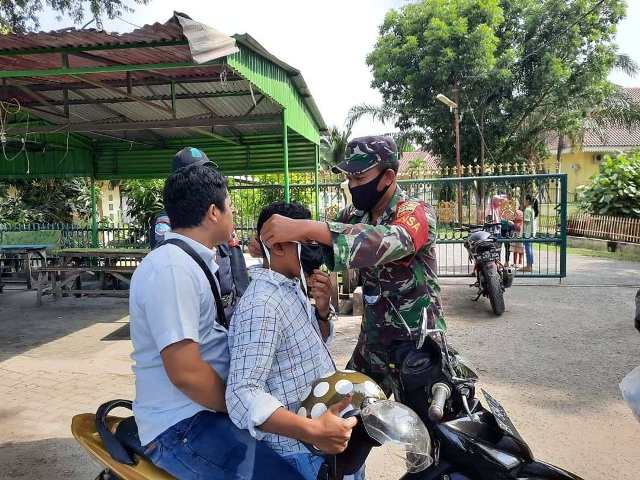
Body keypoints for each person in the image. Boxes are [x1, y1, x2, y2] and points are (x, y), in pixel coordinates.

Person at [129, 165, 304, 480]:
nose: (233, 213)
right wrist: (240, 405)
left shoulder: (191, 261)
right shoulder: (173, 269)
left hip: (200, 413)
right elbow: (187, 374)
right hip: (183, 424)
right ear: (213, 212)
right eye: (230, 207)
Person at [257, 135, 445, 394]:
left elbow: (389, 241)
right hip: (372, 343)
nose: (352, 185)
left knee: (425, 422)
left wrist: (308, 227)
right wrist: (270, 241)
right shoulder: (354, 215)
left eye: (359, 179)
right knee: (346, 412)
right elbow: (322, 246)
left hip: (417, 345)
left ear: (388, 177)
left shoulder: (415, 212)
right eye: (349, 179)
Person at [227, 201, 356, 480]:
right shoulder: (262, 305)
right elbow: (241, 394)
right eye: (307, 241)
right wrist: (311, 430)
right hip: (300, 455)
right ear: (277, 246)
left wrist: (322, 312)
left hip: (324, 445)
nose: (316, 248)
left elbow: (304, 349)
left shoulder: (290, 286)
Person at [150, 147, 249, 318]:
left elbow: (234, 255)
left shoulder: (219, 214)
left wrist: (243, 295)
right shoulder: (172, 220)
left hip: (229, 307)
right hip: (202, 309)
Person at [522, 195, 536, 273]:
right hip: (531, 232)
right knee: (529, 248)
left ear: (527, 201)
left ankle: (528, 266)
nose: (524, 202)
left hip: (527, 232)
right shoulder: (532, 209)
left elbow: (526, 221)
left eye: (524, 200)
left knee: (528, 249)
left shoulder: (527, 210)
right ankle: (529, 265)